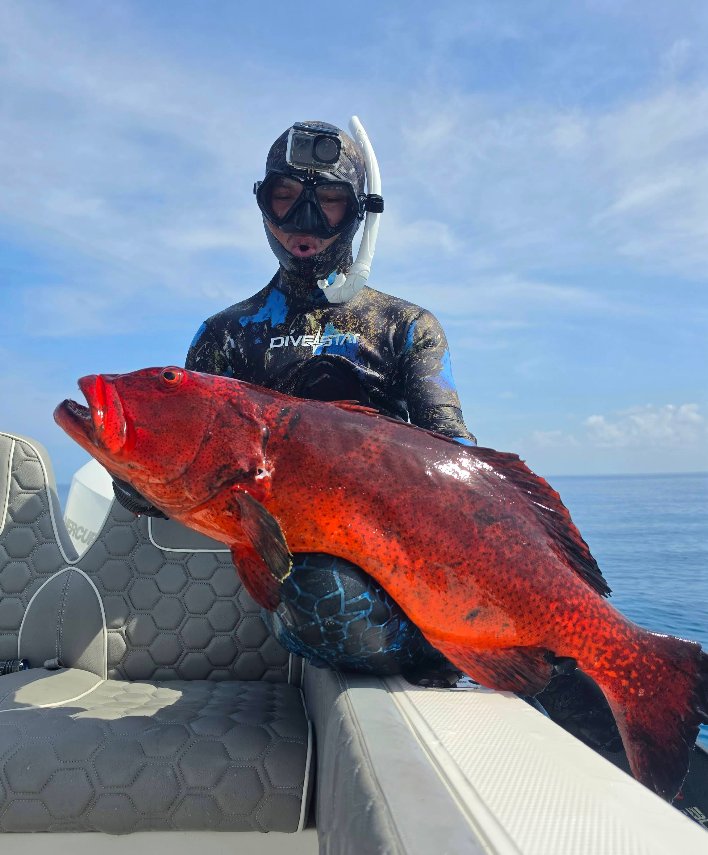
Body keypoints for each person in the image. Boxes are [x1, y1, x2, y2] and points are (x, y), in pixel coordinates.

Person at [115, 119, 476, 680]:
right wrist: (135, 472)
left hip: (410, 556)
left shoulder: (406, 325)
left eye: (328, 201)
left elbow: (456, 456)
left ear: (360, 213)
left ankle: (480, 641)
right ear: (262, 205)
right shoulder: (225, 335)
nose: (303, 223)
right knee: (318, 597)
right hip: (301, 569)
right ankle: (461, 645)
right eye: (284, 197)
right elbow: (186, 467)